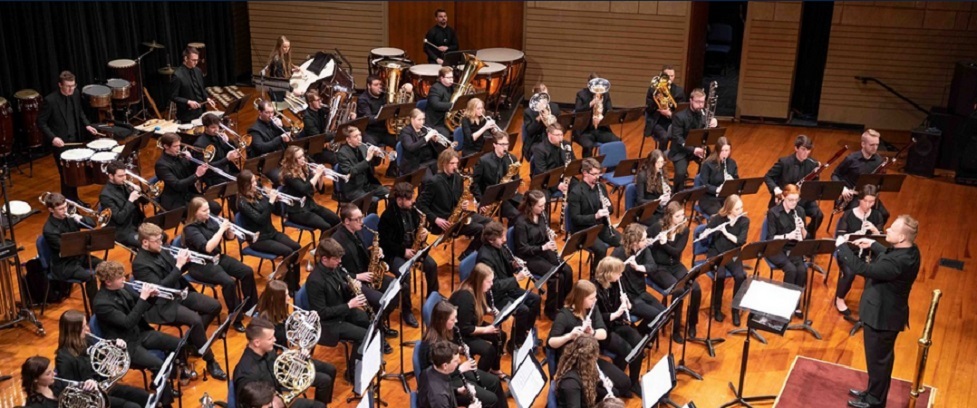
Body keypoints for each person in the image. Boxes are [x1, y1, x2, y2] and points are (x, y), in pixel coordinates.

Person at [836, 215, 920, 408]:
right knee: (877, 361)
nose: (887, 229)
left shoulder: (897, 263)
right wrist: (874, 244)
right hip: (885, 314)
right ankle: (872, 393)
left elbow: (862, 268)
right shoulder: (911, 250)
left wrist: (841, 247)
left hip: (883, 318)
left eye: (892, 229)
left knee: (878, 362)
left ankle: (875, 402)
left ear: (900, 238)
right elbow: (889, 257)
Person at [132, 222, 226, 379]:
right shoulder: (140, 264)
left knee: (214, 306)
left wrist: (185, 263)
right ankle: (210, 361)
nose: (161, 243)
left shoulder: (161, 249)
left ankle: (192, 343)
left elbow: (177, 272)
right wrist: (178, 266)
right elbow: (160, 289)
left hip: (179, 292)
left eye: (161, 239)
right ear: (145, 243)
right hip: (162, 304)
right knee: (195, 320)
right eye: (157, 240)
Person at [92, 261, 182, 384]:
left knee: (178, 344)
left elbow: (142, 307)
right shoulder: (101, 303)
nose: (124, 279)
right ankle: (163, 400)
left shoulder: (122, 288)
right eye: (120, 278)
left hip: (139, 333)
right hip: (125, 345)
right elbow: (127, 322)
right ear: (108, 282)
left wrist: (152, 296)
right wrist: (143, 298)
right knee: (159, 365)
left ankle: (167, 381)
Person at [332, 203, 412, 336]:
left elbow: (363, 253)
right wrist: (357, 276)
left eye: (362, 217)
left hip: (368, 274)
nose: (361, 222)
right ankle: (376, 333)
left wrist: (376, 252)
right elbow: (336, 271)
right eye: (357, 219)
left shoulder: (359, 231)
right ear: (346, 221)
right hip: (353, 282)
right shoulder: (336, 241)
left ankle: (380, 324)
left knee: (400, 287)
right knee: (381, 300)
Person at [253, 281, 338, 406]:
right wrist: (298, 350)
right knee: (324, 380)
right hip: (281, 366)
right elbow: (277, 353)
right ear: (277, 299)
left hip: (293, 356)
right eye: (286, 296)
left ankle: (323, 404)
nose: (289, 298)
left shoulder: (281, 312)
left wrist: (309, 321)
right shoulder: (267, 325)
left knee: (331, 369)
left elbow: (292, 335)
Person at [183, 197, 258, 332]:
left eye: (208, 209)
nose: (208, 212)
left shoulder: (211, 220)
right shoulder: (190, 229)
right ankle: (236, 318)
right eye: (204, 210)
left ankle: (251, 307)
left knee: (246, 271)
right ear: (195, 213)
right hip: (201, 265)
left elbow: (229, 238)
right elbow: (207, 248)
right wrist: (221, 230)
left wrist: (228, 229)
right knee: (229, 283)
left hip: (218, 258)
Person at [547, 280, 631, 398]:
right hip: (574, 364)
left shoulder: (592, 309)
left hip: (591, 358)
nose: (595, 300)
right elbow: (551, 342)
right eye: (591, 298)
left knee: (625, 384)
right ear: (581, 298)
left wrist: (592, 332)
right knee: (613, 393)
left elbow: (603, 334)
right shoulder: (564, 316)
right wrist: (569, 336)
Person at [305, 238, 372, 380]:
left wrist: (351, 287)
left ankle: (364, 357)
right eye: (336, 259)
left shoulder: (334, 268)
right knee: (363, 335)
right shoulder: (315, 281)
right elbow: (321, 313)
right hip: (328, 324)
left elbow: (339, 288)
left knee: (368, 319)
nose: (340, 261)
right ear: (324, 259)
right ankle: (353, 374)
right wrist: (349, 305)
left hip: (341, 311)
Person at [55, 310, 151, 408]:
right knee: (132, 407)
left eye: (86, 324)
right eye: (83, 327)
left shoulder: (87, 340)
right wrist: (85, 385)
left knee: (144, 396)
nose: (88, 329)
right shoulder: (63, 358)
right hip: (91, 398)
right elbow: (68, 390)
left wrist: (117, 347)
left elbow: (102, 357)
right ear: (73, 332)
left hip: (105, 386)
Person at [420, 300, 506, 407]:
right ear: (442, 320)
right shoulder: (432, 346)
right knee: (491, 399)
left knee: (494, 381)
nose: (456, 321)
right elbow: (439, 372)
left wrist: (458, 349)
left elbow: (447, 358)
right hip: (450, 378)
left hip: (453, 370)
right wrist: (460, 369)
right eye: (453, 319)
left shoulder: (446, 330)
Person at [233, 318, 325, 408]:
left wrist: (298, 360)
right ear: (257, 342)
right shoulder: (247, 373)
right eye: (270, 338)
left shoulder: (268, 351)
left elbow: (280, 368)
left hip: (279, 393)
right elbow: (245, 404)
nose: (275, 340)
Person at [476, 222, 541, 349]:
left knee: (535, 299)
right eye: (501, 237)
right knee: (523, 310)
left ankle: (523, 332)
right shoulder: (485, 258)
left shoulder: (501, 247)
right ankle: (515, 343)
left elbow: (506, 266)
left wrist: (514, 265)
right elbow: (494, 286)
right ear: (490, 240)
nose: (505, 239)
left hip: (508, 288)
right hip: (494, 296)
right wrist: (517, 278)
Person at [416, 149, 492, 256]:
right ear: (443, 164)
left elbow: (458, 198)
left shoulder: (458, 178)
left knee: (490, 223)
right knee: (480, 229)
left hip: (458, 216)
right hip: (445, 223)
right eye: (452, 163)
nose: (455, 166)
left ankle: (473, 253)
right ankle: (467, 256)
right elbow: (420, 205)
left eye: (456, 163)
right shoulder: (434, 182)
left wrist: (463, 204)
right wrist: (436, 219)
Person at [237, 170, 302, 292]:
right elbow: (260, 219)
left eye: (255, 180)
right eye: (252, 182)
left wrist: (276, 200)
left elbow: (274, 211)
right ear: (245, 185)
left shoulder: (258, 193)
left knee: (296, 248)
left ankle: (294, 283)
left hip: (271, 232)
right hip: (259, 239)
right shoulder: (242, 203)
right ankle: (290, 286)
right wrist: (270, 201)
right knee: (288, 252)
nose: (256, 183)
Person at [38, 70, 97, 203]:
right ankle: (67, 202)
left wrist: (87, 125)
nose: (71, 89)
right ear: (60, 85)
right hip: (60, 143)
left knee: (74, 173)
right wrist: (53, 138)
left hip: (75, 140)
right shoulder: (50, 100)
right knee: (65, 174)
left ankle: (74, 199)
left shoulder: (75, 93)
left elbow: (80, 112)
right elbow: (41, 122)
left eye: (73, 85)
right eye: (68, 86)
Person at [512, 190, 572, 319]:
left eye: (544, 205)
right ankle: (551, 310)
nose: (543, 208)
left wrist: (548, 233)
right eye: (540, 206)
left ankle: (562, 303)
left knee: (567, 270)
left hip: (542, 249)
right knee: (556, 277)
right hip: (528, 257)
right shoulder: (521, 223)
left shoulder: (542, 215)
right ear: (531, 205)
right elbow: (523, 249)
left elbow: (542, 232)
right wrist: (543, 247)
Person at [647, 201, 699, 343]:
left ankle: (692, 323)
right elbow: (644, 236)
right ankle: (675, 330)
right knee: (678, 290)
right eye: (678, 216)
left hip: (675, 265)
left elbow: (677, 252)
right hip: (659, 268)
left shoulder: (684, 230)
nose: (682, 219)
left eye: (682, 215)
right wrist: (649, 242)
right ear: (669, 217)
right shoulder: (657, 227)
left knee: (695, 287)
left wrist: (665, 244)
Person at [378, 182, 440, 298]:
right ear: (400, 200)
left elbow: (417, 228)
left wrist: (423, 234)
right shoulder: (387, 217)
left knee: (432, 265)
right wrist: (403, 252)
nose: (413, 201)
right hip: (395, 253)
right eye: (410, 199)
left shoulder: (413, 210)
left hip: (413, 248)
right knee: (405, 274)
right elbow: (385, 243)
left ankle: (433, 296)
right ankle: (407, 310)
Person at [592, 258, 644, 395]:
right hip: (603, 330)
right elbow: (595, 318)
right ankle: (620, 382)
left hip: (616, 324)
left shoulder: (616, 283)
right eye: (618, 273)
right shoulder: (594, 290)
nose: (621, 275)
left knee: (639, 344)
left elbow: (625, 303)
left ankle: (633, 381)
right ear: (608, 273)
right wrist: (615, 314)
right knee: (626, 350)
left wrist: (628, 304)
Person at [42, 192, 100, 309]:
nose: (65, 211)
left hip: (79, 257)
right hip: (64, 264)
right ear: (51, 210)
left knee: (106, 267)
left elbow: (93, 224)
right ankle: (96, 310)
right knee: (90, 277)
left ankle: (107, 300)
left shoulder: (70, 216)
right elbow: (68, 249)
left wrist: (81, 218)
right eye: (60, 209)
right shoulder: (49, 230)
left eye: (65, 207)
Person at [833, 185, 884, 316]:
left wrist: (874, 230)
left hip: (867, 253)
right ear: (859, 200)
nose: (868, 204)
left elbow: (881, 241)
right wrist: (853, 236)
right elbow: (839, 237)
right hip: (848, 251)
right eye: (865, 201)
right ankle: (839, 298)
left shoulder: (877, 216)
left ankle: (867, 303)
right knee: (849, 273)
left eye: (871, 202)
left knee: (873, 273)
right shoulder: (849, 214)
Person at [448, 264, 505, 376]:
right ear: (480, 281)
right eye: (489, 282)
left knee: (501, 335)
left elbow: (477, 307)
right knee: (488, 350)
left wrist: (490, 310)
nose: (491, 284)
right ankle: (479, 376)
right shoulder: (465, 297)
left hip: (471, 323)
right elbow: (465, 329)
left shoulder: (476, 289)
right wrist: (486, 330)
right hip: (458, 334)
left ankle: (494, 369)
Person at [568, 158, 621, 274]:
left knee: (622, 241)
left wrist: (608, 208)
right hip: (584, 230)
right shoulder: (576, 192)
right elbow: (575, 219)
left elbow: (610, 209)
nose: (597, 177)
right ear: (585, 173)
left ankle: (612, 270)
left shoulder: (600, 187)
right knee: (601, 249)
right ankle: (597, 278)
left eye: (599, 173)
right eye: (594, 174)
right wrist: (595, 216)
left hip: (601, 226)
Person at [764, 134, 823, 239]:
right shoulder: (784, 162)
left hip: (803, 200)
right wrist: (776, 189)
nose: (806, 153)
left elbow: (814, 185)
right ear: (796, 148)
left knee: (818, 215)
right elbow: (768, 177)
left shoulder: (812, 164)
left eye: (808, 150)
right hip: (784, 199)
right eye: (803, 149)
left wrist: (817, 174)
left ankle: (807, 239)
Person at [703, 194, 749, 327]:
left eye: (741, 208)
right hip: (716, 253)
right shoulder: (718, 218)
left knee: (740, 276)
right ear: (729, 210)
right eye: (737, 209)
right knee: (721, 275)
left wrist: (726, 233)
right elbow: (707, 231)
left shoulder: (744, 221)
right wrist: (707, 233)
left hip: (733, 253)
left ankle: (735, 310)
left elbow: (740, 241)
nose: (740, 211)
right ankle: (716, 308)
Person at [609, 224, 666, 329]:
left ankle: (641, 334)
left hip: (641, 291)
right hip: (629, 297)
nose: (647, 241)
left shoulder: (643, 249)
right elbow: (609, 276)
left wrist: (638, 267)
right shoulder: (618, 254)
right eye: (644, 239)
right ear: (635, 242)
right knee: (657, 316)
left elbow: (652, 267)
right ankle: (641, 338)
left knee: (664, 314)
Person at [832, 129, 890, 226]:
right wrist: (843, 188)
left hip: (868, 195)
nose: (875, 148)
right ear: (863, 144)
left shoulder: (879, 161)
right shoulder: (851, 159)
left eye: (877, 144)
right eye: (872, 145)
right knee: (856, 217)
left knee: (884, 214)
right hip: (851, 197)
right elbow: (835, 175)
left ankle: (873, 233)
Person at [766, 183, 808, 311]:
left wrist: (801, 228)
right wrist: (787, 236)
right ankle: (785, 303)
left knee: (802, 271)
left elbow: (804, 236)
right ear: (784, 197)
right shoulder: (773, 212)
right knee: (791, 270)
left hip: (794, 247)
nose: (794, 203)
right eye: (791, 200)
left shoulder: (800, 211)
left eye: (796, 200)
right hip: (777, 247)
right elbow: (770, 238)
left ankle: (796, 303)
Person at [280, 145, 341, 232]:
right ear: (292, 160)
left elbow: (320, 190)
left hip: (310, 205)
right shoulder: (288, 175)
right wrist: (316, 175)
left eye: (303, 156)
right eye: (299, 157)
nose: (303, 159)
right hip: (297, 211)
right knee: (326, 226)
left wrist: (320, 177)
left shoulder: (305, 169)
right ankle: (325, 244)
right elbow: (304, 189)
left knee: (336, 220)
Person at [668, 87, 718, 192]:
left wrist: (715, 124)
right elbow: (678, 138)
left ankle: (702, 188)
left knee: (711, 165)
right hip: (681, 151)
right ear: (691, 101)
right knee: (681, 174)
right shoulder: (679, 116)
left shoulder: (703, 114)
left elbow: (710, 132)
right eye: (697, 102)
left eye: (702, 102)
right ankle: (676, 195)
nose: (700, 105)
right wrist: (693, 150)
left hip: (698, 148)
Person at [471, 133, 521, 222]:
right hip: (491, 199)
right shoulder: (483, 161)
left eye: (506, 144)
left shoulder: (512, 159)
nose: (505, 147)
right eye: (502, 144)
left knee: (529, 207)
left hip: (508, 195)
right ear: (494, 145)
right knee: (516, 216)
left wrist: (514, 185)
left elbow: (516, 177)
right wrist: (481, 201)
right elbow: (474, 183)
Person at [336, 125, 389, 206]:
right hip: (354, 189)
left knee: (390, 193)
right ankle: (369, 218)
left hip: (367, 185)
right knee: (372, 201)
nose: (359, 138)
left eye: (360, 135)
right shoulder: (342, 153)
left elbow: (374, 164)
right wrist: (367, 159)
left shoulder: (363, 147)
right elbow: (351, 172)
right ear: (348, 140)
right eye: (355, 136)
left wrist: (376, 156)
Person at [98, 161, 148, 249]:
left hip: (139, 223)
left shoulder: (125, 185)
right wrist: (130, 200)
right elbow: (119, 218)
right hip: (124, 230)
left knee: (162, 236)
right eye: (120, 176)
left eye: (125, 175)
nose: (124, 178)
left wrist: (140, 191)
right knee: (147, 244)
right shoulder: (105, 196)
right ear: (111, 176)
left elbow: (145, 202)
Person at [154, 133, 208, 211]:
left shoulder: (181, 156)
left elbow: (191, 173)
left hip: (188, 193)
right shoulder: (161, 165)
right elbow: (177, 185)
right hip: (175, 199)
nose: (178, 148)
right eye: (175, 146)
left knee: (214, 206)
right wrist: (197, 175)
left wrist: (192, 160)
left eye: (179, 145)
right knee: (201, 210)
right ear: (166, 146)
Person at [552, 336, 609, 408]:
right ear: (588, 360)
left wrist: (607, 391)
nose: (596, 359)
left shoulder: (587, 371)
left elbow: (594, 390)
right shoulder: (570, 383)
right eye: (594, 357)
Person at [573, 73, 620, 157]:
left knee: (617, 142)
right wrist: (591, 103)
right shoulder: (581, 94)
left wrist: (602, 117)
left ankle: (611, 166)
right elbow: (578, 110)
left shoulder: (605, 94)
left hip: (601, 129)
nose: (597, 88)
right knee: (588, 146)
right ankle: (587, 167)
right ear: (589, 85)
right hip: (585, 131)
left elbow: (610, 111)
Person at [418, 342, 476, 408]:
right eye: (455, 361)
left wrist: (457, 390)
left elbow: (445, 388)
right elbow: (441, 394)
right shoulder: (438, 397)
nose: (459, 361)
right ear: (445, 366)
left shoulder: (429, 371)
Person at [645, 65, 687, 149]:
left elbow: (682, 112)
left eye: (672, 76)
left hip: (673, 121)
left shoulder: (679, 91)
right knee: (665, 137)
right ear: (662, 76)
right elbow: (648, 109)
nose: (670, 78)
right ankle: (661, 158)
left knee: (682, 134)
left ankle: (675, 155)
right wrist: (658, 103)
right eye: (667, 76)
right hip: (656, 121)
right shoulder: (653, 89)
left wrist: (670, 113)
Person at [194, 112, 242, 188]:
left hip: (227, 169)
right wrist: (227, 159)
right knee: (234, 187)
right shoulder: (200, 144)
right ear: (205, 128)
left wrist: (228, 140)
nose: (216, 130)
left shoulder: (219, 136)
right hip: (214, 175)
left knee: (246, 179)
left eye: (217, 126)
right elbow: (206, 167)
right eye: (213, 127)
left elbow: (234, 148)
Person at [356, 75, 403, 149]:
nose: (379, 87)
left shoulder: (385, 96)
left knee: (402, 142)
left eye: (380, 84)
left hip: (384, 130)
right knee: (372, 148)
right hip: (370, 132)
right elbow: (368, 119)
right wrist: (383, 115)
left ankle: (395, 160)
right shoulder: (363, 99)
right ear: (369, 86)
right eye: (375, 85)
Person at [530, 124, 574, 200]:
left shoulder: (566, 144)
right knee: (543, 198)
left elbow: (573, 162)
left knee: (579, 190)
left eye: (561, 134)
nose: (560, 138)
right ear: (549, 135)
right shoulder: (539, 150)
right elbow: (542, 172)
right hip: (546, 181)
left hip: (564, 177)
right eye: (557, 135)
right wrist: (557, 185)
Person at [170, 47, 213, 123]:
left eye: (197, 60)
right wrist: (188, 102)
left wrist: (207, 98)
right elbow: (173, 96)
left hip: (201, 112)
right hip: (187, 115)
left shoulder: (198, 71)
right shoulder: (178, 75)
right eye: (193, 60)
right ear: (186, 58)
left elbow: (201, 89)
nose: (196, 62)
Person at [697, 136, 738, 216]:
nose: (725, 153)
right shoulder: (708, 164)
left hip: (726, 197)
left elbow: (736, 179)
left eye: (727, 150)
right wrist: (717, 189)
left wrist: (732, 182)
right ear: (717, 150)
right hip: (709, 198)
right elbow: (704, 185)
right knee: (721, 215)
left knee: (736, 212)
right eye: (722, 150)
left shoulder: (732, 163)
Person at [400, 108, 445, 176]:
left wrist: (435, 140)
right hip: (416, 164)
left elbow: (435, 148)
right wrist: (427, 137)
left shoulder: (425, 128)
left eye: (423, 119)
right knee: (430, 180)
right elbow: (411, 147)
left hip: (431, 160)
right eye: (419, 120)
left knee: (443, 176)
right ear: (412, 119)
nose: (422, 122)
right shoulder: (405, 132)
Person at [522, 83, 560, 161]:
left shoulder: (555, 107)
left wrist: (548, 117)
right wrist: (538, 119)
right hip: (536, 141)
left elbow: (560, 127)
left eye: (546, 96)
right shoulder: (529, 112)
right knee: (541, 152)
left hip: (553, 138)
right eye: (541, 97)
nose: (544, 100)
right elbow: (529, 131)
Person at [633, 149, 671, 226]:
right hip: (646, 210)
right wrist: (656, 201)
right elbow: (640, 200)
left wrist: (668, 192)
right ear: (652, 163)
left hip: (658, 208)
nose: (661, 165)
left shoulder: (662, 173)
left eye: (662, 162)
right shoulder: (642, 176)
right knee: (660, 224)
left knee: (671, 219)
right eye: (658, 162)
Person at [300, 91, 338, 165]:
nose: (320, 102)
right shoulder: (308, 118)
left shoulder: (321, 111)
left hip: (323, 145)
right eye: (317, 100)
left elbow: (334, 115)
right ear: (310, 102)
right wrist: (334, 134)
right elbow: (318, 137)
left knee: (342, 154)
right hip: (314, 151)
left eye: (320, 99)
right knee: (335, 158)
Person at [425, 66, 455, 138]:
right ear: (441, 78)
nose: (451, 80)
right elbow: (435, 104)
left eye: (452, 77)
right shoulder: (435, 88)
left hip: (447, 120)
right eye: (449, 78)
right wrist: (453, 105)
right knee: (445, 135)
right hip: (436, 122)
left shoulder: (452, 87)